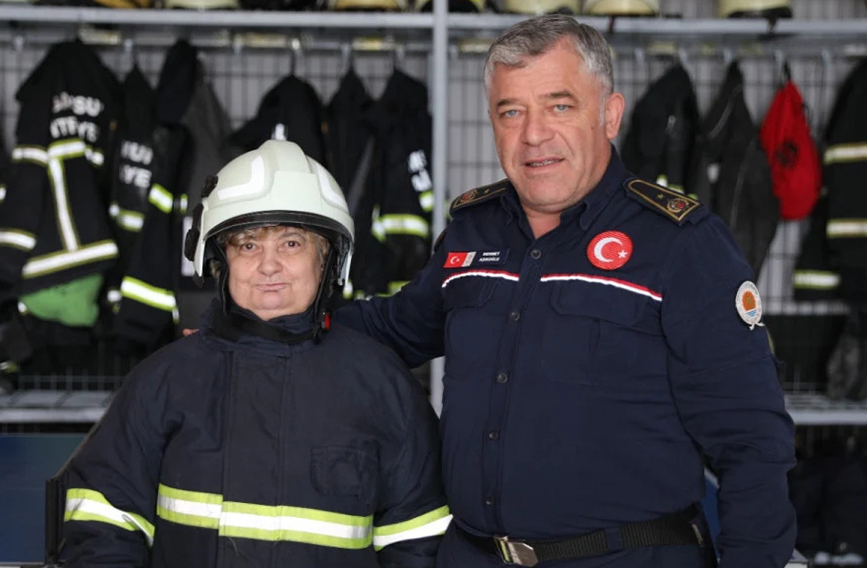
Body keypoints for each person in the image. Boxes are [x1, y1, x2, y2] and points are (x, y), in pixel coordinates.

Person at [335, 15, 797, 568]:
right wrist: (253, 322)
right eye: (512, 111)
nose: (533, 134)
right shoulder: (470, 231)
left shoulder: (681, 246)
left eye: (559, 106)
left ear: (610, 115)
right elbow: (390, 331)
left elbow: (752, 445)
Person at [57, 139, 450, 568]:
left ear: (329, 262)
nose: (268, 265)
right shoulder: (163, 381)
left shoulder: (382, 387)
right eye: (247, 244)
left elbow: (420, 546)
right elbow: (103, 530)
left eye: (292, 244)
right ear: (218, 262)